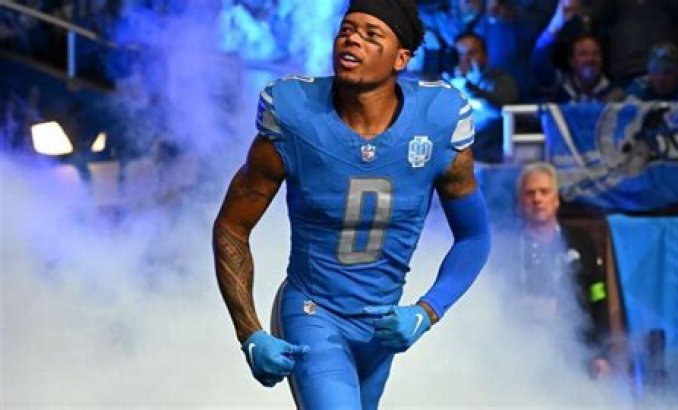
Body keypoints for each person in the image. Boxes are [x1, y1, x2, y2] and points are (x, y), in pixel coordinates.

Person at [212, 1, 492, 408]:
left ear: (401, 58)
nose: (352, 39)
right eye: (347, 30)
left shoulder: (437, 121)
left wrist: (427, 311)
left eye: (371, 34)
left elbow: (475, 237)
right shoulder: (296, 115)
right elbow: (232, 225)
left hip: (380, 329)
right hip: (313, 311)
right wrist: (249, 333)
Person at [489, 162, 611, 377]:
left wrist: (600, 353)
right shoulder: (504, 248)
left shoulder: (582, 241)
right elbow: (490, 303)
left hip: (575, 352)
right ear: (520, 203)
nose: (537, 199)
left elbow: (598, 299)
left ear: (556, 200)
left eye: (544, 192)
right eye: (530, 193)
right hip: (518, 353)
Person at [531, 0, 624, 103]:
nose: (590, 59)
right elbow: (539, 61)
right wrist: (557, 22)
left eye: (595, 54)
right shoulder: (561, 87)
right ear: (572, 61)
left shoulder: (615, 94)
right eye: (583, 54)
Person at [446, 31, 518, 163]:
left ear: (486, 56)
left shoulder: (499, 79)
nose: (466, 59)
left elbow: (501, 110)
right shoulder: (445, 82)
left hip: (488, 154)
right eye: (460, 54)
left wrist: (467, 86)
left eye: (472, 53)